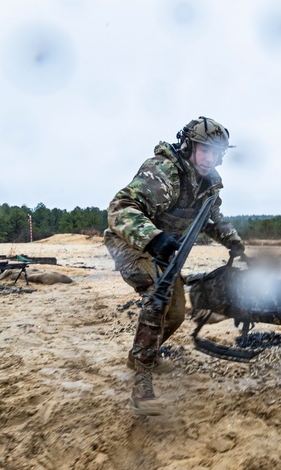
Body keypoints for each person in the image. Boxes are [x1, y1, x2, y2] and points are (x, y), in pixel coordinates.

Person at [105, 116, 245, 416]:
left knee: (177, 313)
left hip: (165, 250)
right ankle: (142, 383)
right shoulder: (164, 171)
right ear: (188, 146)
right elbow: (121, 209)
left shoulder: (208, 184)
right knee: (159, 297)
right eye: (204, 150)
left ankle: (141, 354)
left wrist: (234, 242)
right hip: (130, 242)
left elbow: (212, 218)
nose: (210, 158)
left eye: (216, 152)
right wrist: (153, 238)